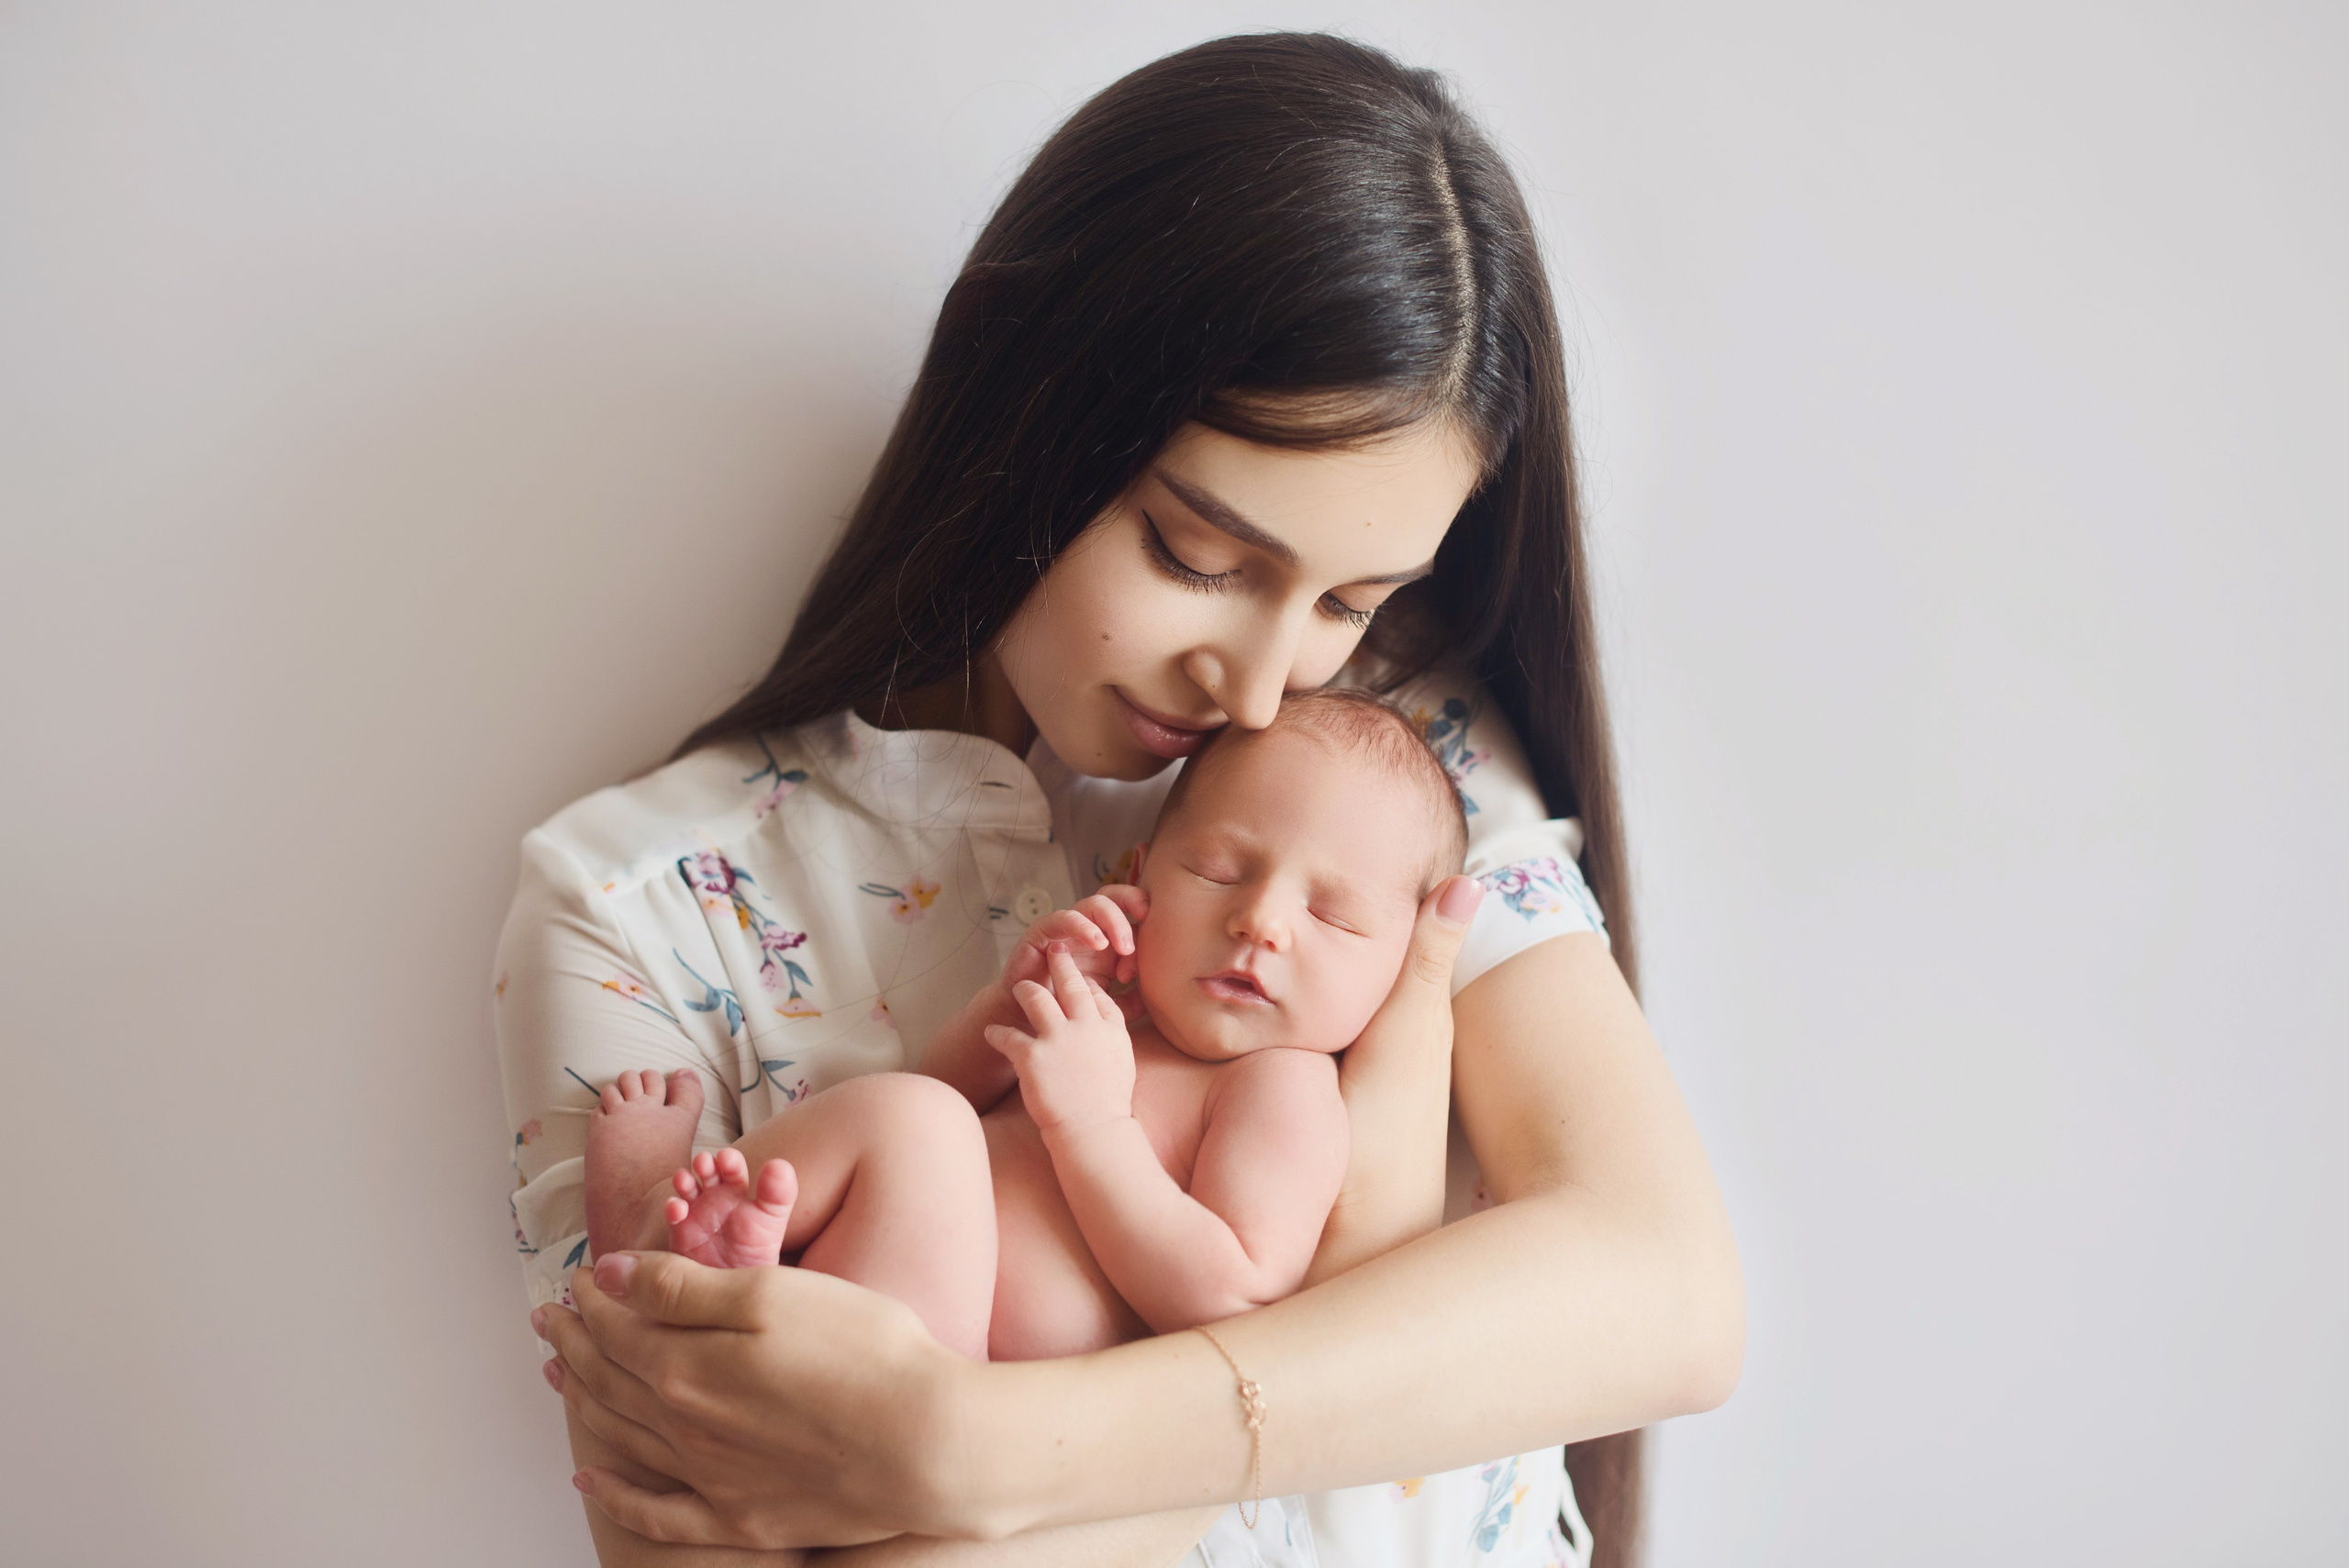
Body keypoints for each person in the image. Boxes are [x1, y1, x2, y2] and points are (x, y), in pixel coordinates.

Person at [502, 31, 1743, 1568]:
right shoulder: (640, 901)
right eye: (1199, 558)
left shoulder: (1386, 777)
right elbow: (687, 1514)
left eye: (1351, 597)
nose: (1259, 682)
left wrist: (970, 1444)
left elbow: (1663, 1291)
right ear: (1026, 406)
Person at [577, 692, 1470, 1368]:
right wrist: (1007, 1008)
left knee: (916, 1123)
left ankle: (660, 1251)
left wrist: (1091, 1123)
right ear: (1138, 872)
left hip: (956, 1378)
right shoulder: (1112, 1005)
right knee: (918, 1110)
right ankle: (672, 1253)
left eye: (1335, 916)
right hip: (873, 1277)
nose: (1262, 920)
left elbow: (1234, 1293)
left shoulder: (1285, 1086)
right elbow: (949, 1093)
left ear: (1396, 962)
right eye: (1219, 868)